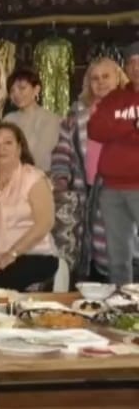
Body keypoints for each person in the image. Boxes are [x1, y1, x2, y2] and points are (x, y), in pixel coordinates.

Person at [50, 57, 131, 281]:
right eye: (95, 78)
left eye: (106, 76)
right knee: (93, 251)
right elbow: (62, 151)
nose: (101, 82)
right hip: (86, 192)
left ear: (118, 78)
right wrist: (60, 179)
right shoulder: (76, 116)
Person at [0, 123, 57, 291]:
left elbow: (45, 223)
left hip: (30, 255)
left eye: (8, 142)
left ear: (19, 148)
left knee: (1, 290)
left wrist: (12, 254)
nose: (1, 149)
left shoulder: (34, 178)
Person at [88, 42, 139, 285]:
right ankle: (122, 301)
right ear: (125, 69)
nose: (136, 68)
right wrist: (132, 126)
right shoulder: (115, 98)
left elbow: (106, 129)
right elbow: (95, 130)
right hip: (111, 189)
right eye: (132, 63)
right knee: (117, 257)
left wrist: (115, 128)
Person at [3, 67, 60, 173]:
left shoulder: (50, 119)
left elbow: (40, 156)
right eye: (12, 90)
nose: (16, 94)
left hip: (39, 176)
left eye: (22, 88)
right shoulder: (8, 119)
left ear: (36, 89)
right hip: (10, 175)